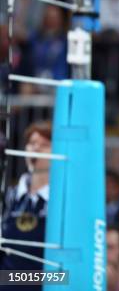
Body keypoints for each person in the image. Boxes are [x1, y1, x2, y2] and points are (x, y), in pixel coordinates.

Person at [0, 121, 52, 291]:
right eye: (32, 143)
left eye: (44, 145)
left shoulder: (62, 200)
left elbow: (64, 275)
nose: (35, 149)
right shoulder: (9, 195)